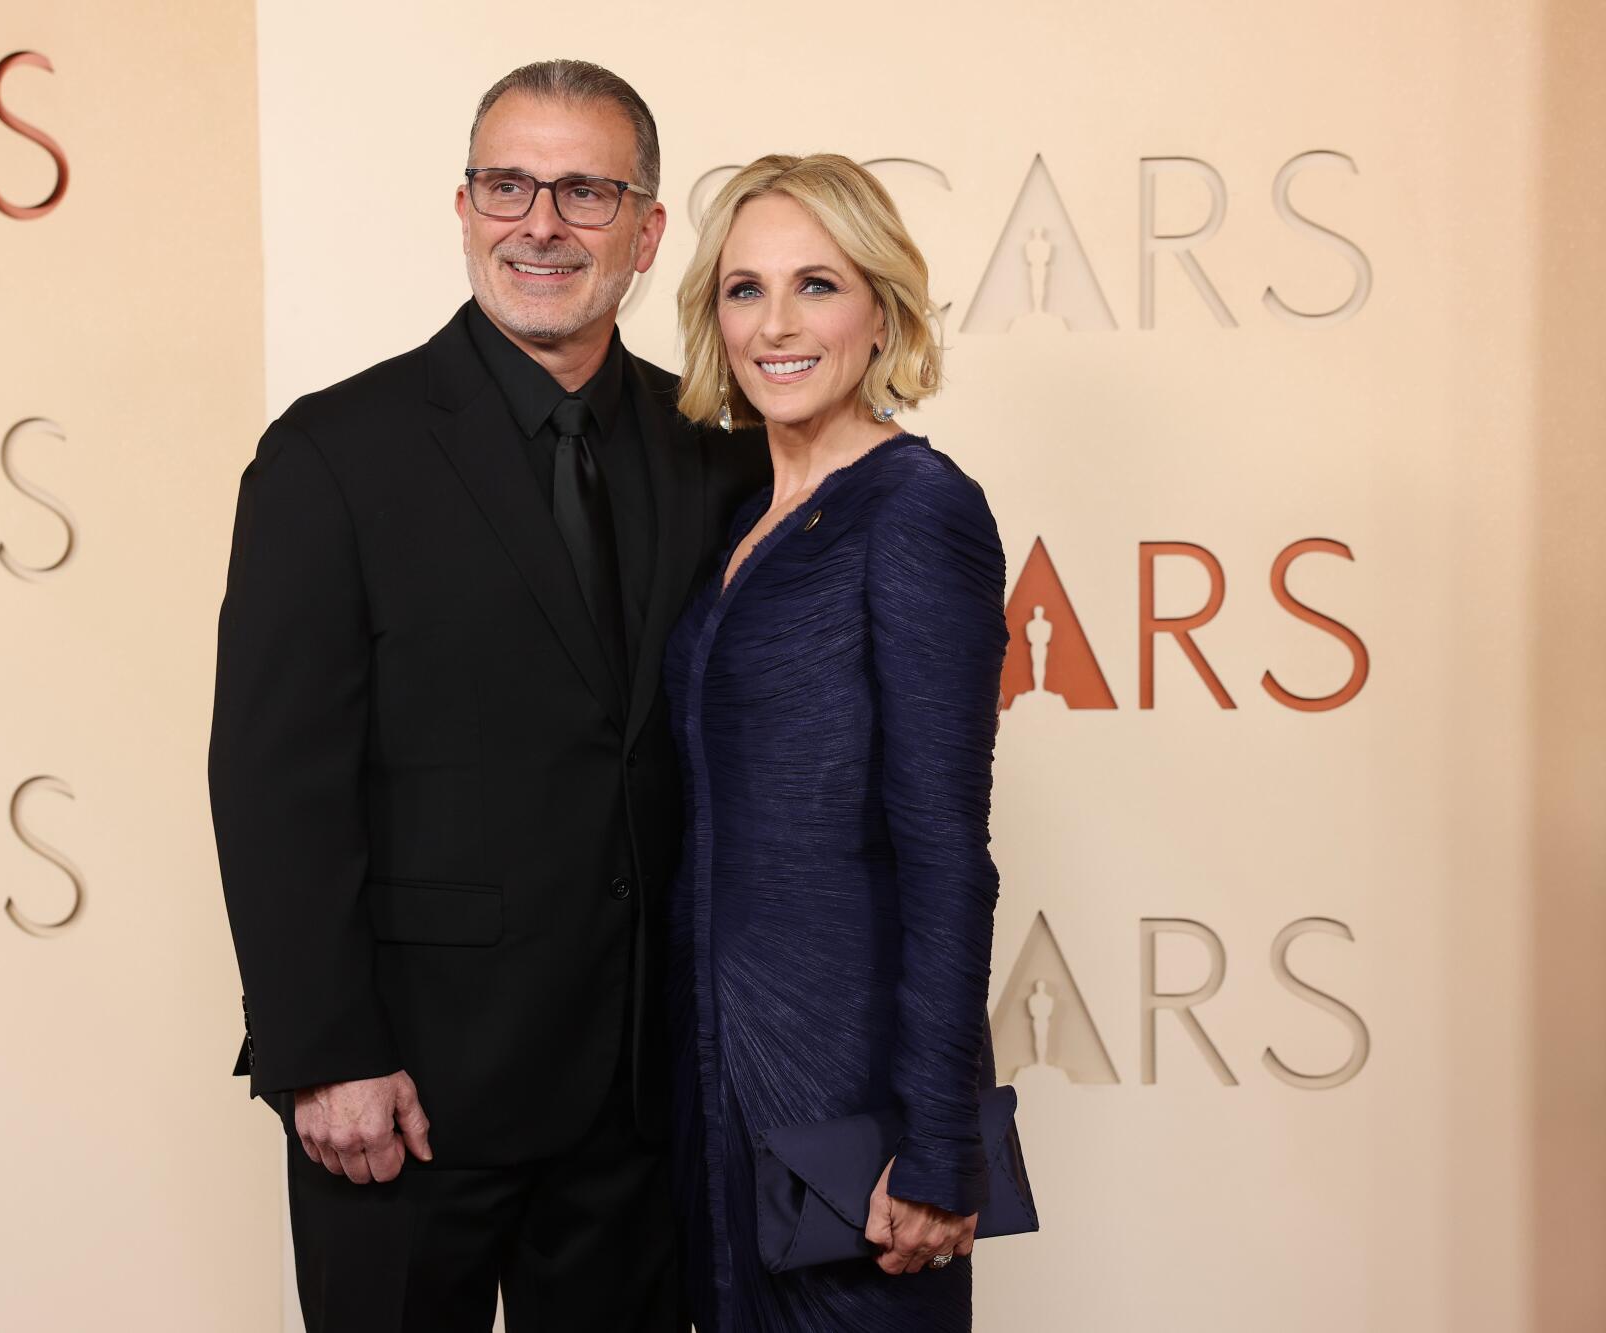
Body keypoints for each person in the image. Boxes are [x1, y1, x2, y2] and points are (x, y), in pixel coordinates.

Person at [206, 60, 768, 1332]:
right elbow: (272, 782)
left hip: (636, 1110)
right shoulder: (330, 455)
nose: (541, 224)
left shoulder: (711, 456)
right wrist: (325, 1053)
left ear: (645, 232)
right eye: (508, 186)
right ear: (463, 209)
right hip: (402, 1102)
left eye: (584, 192)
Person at [664, 154, 1010, 1331]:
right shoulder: (734, 516)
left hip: (849, 1105)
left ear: (880, 312)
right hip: (712, 1090)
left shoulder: (915, 507)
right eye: (743, 289)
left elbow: (945, 849)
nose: (775, 324)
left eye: (815, 284)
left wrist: (937, 1139)